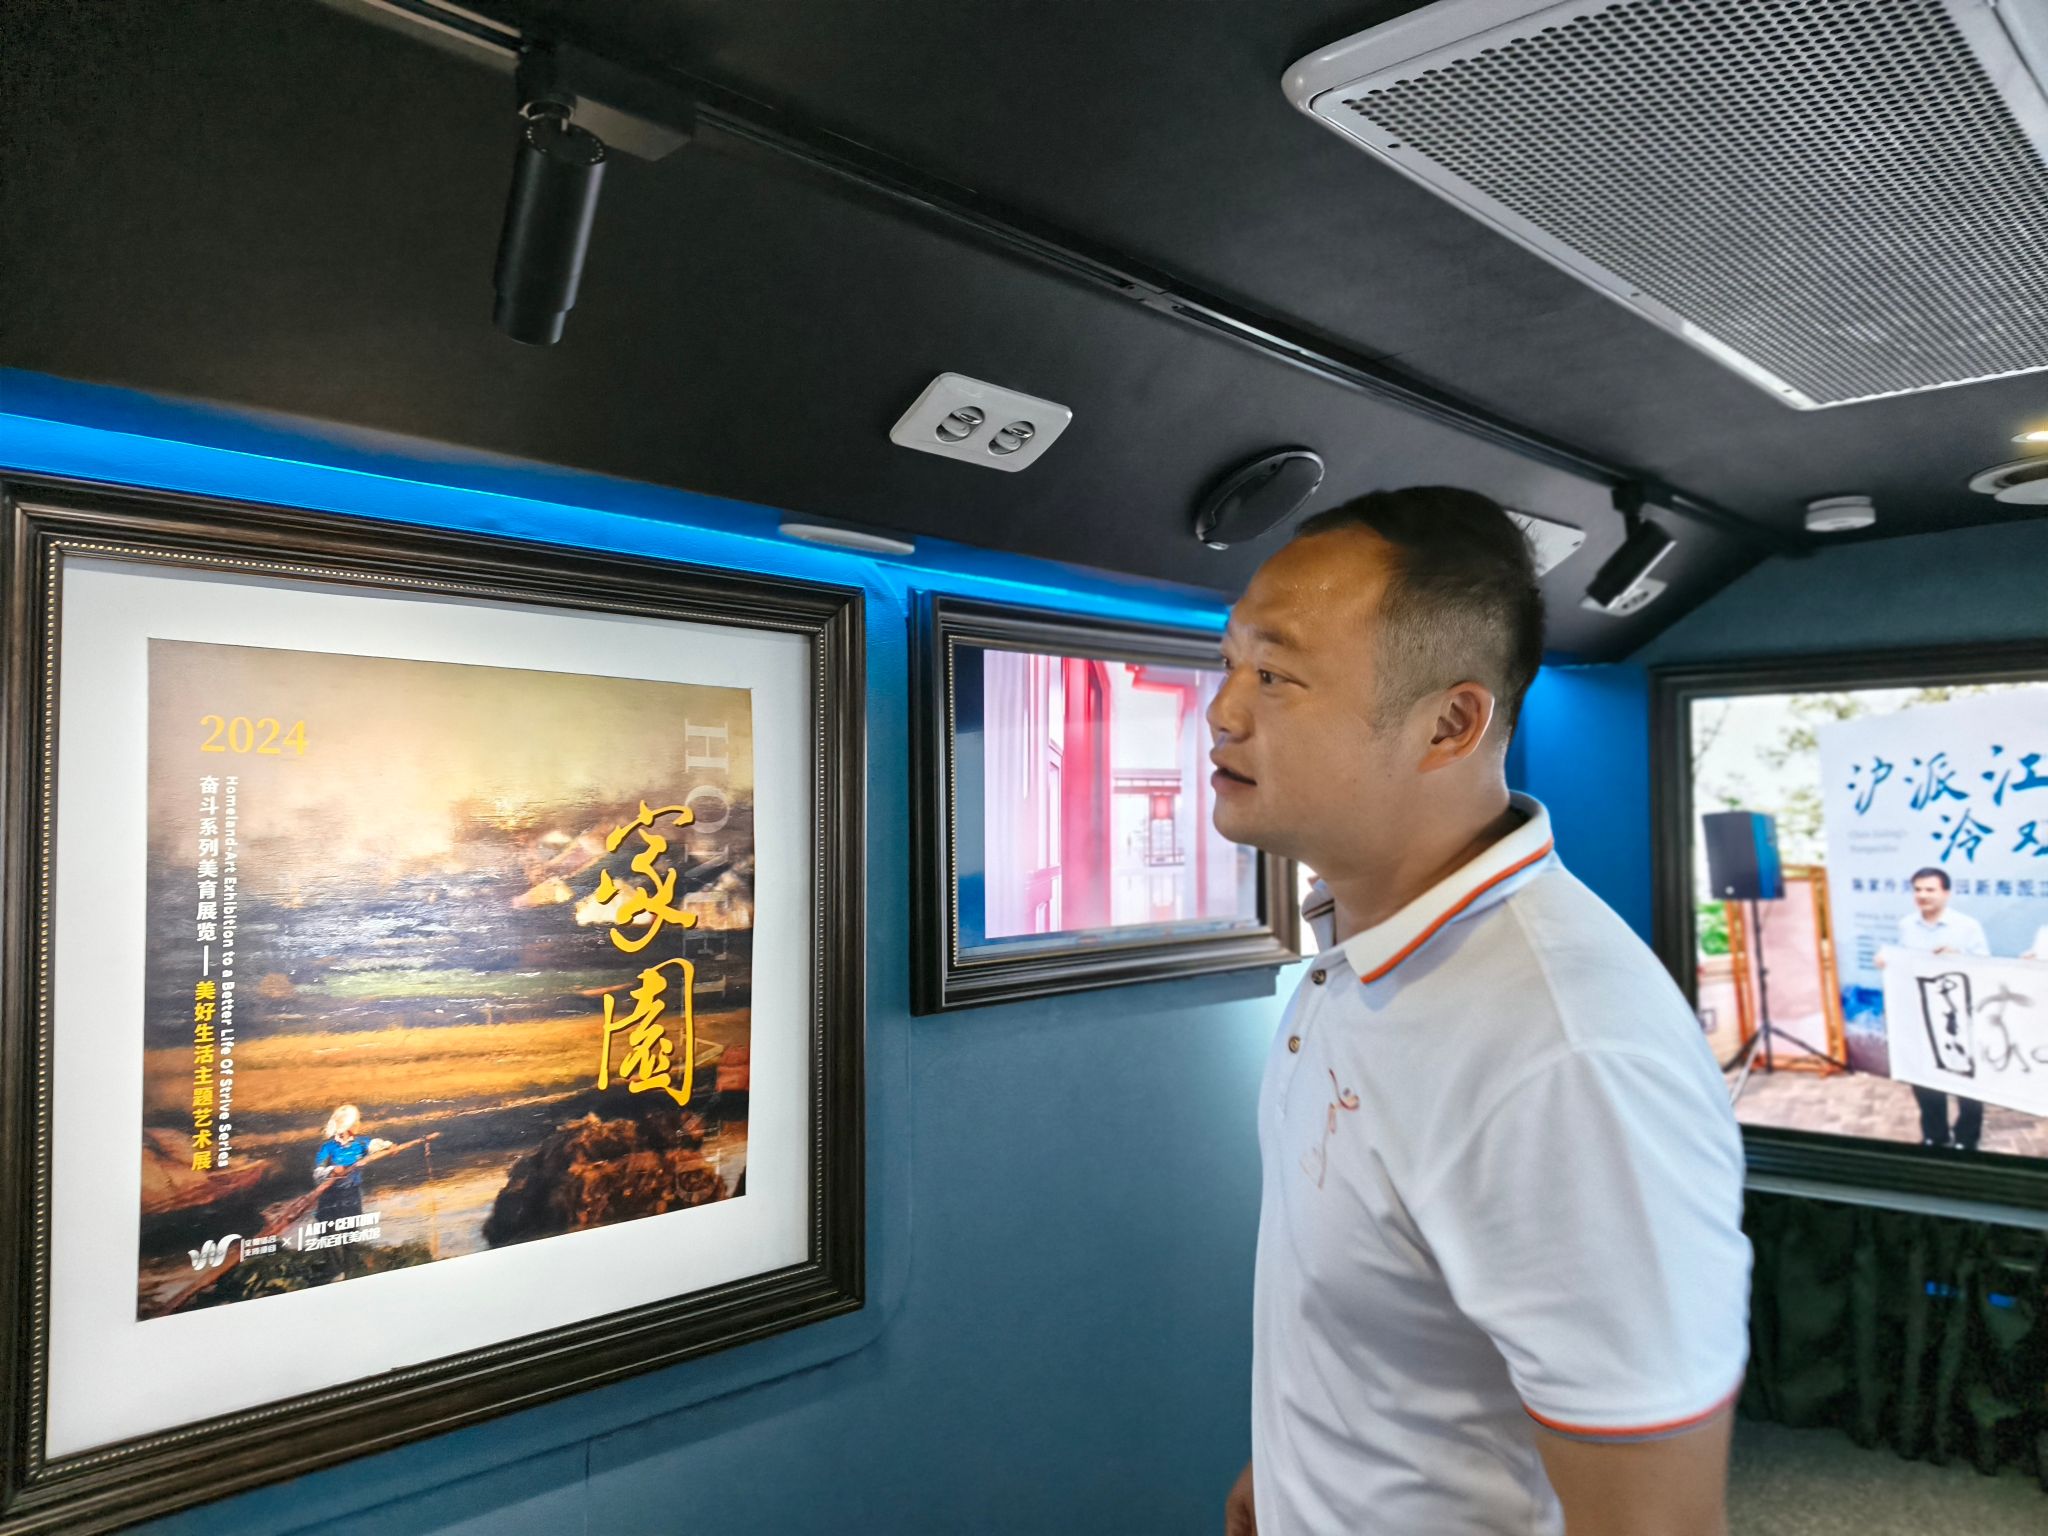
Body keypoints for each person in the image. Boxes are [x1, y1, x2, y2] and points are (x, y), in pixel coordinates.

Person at [1211, 487, 1750, 1536]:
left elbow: (1655, 1523)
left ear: (1448, 724)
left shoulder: (1565, 1053)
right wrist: (1291, 1469)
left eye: (1273, 675)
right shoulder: (1358, 953)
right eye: (1228, 661)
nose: (1223, 710)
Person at [1884, 868, 1989, 1150]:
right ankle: (1935, 1135)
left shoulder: (1967, 926)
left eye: (1930, 889)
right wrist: (1889, 961)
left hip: (1958, 1015)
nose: (1922, 895)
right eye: (1917, 889)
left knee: (1967, 1080)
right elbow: (1902, 962)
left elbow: (1985, 966)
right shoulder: (1906, 925)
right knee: (1924, 1077)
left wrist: (1959, 958)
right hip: (1920, 1014)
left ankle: (1967, 1138)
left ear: (1946, 893)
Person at [312, 1102, 392, 1223]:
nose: (358, 1124)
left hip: (352, 1196)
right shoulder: (328, 1147)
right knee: (328, 1228)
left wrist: (389, 1147)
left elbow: (376, 1145)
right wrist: (333, 1171)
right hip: (330, 1198)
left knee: (352, 1227)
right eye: (356, 1121)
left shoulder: (361, 1144)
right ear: (347, 1125)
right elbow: (318, 1173)